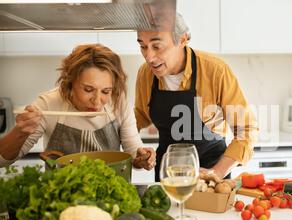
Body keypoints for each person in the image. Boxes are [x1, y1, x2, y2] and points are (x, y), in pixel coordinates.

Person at [134, 13, 259, 181]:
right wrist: (136, 150)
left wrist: (216, 172)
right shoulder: (145, 74)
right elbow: (139, 117)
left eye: (157, 46)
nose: (149, 57)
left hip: (212, 173)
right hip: (167, 176)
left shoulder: (215, 71)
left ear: (182, 39)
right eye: (143, 46)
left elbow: (247, 130)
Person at [0, 44, 156, 170]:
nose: (96, 101)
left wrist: (143, 158)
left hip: (109, 198)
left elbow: (133, 151)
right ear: (70, 83)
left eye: (105, 91)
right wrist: (20, 132)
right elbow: (3, 161)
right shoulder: (47, 104)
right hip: (61, 199)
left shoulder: (118, 102)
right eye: (88, 90)